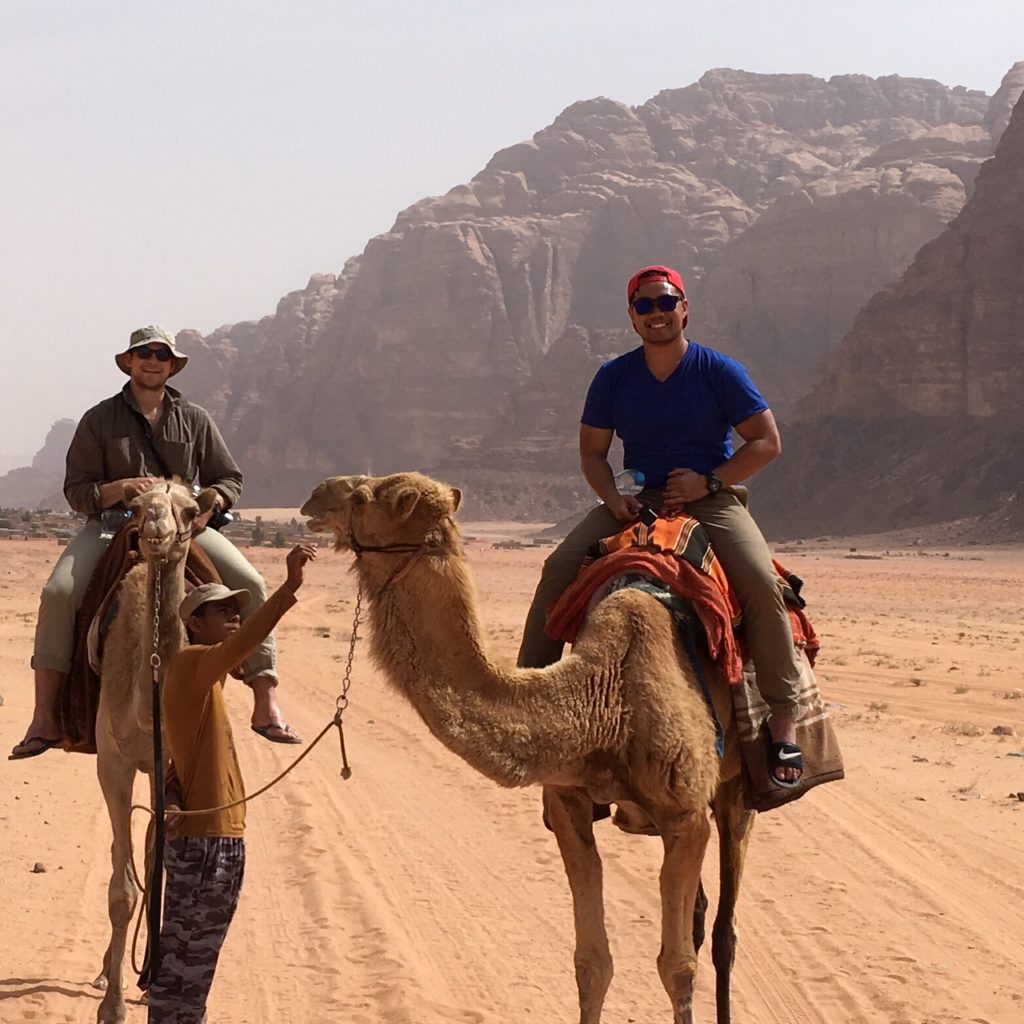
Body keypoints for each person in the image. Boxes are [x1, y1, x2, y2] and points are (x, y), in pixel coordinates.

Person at [517, 265, 804, 787]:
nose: (656, 313)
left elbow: (766, 442)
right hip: (636, 500)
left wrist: (709, 483)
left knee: (762, 584)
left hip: (711, 500)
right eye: (644, 305)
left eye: (665, 302)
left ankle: (783, 716)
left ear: (684, 308)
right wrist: (614, 499)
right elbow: (592, 452)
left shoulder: (719, 371)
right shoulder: (613, 377)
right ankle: (532, 700)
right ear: (631, 316)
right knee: (559, 565)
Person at [9, 325, 301, 760]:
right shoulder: (99, 419)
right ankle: (45, 717)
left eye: (161, 355)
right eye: (144, 353)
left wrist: (212, 502)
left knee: (253, 586)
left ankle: (264, 702)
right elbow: (77, 490)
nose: (152, 361)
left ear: (172, 365)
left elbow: (228, 478)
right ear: (129, 361)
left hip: (184, 525)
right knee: (59, 593)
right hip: (115, 524)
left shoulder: (195, 419)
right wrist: (119, 487)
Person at [147, 542, 316, 1023]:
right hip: (206, 843)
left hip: (215, 838)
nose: (234, 617)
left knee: (191, 958)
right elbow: (242, 647)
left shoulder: (204, 681)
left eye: (235, 609)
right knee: (189, 961)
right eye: (220, 611)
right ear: (195, 625)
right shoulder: (192, 663)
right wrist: (288, 589)